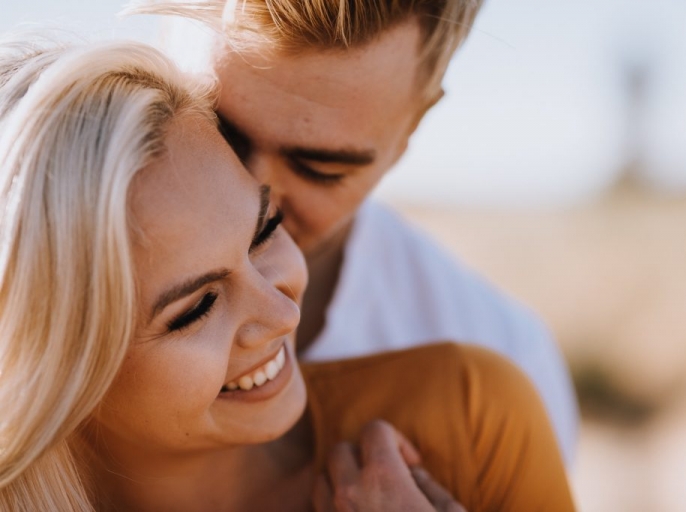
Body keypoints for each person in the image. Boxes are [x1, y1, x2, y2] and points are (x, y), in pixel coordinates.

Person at [0, 37, 573, 511]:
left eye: (265, 231)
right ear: (52, 372)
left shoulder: (467, 417)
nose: (284, 313)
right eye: (197, 307)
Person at [129, 0, 579, 464]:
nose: (254, 204)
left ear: (412, 127)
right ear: (165, 42)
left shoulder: (504, 355)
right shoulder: (56, 277)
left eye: (318, 169)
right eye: (219, 132)